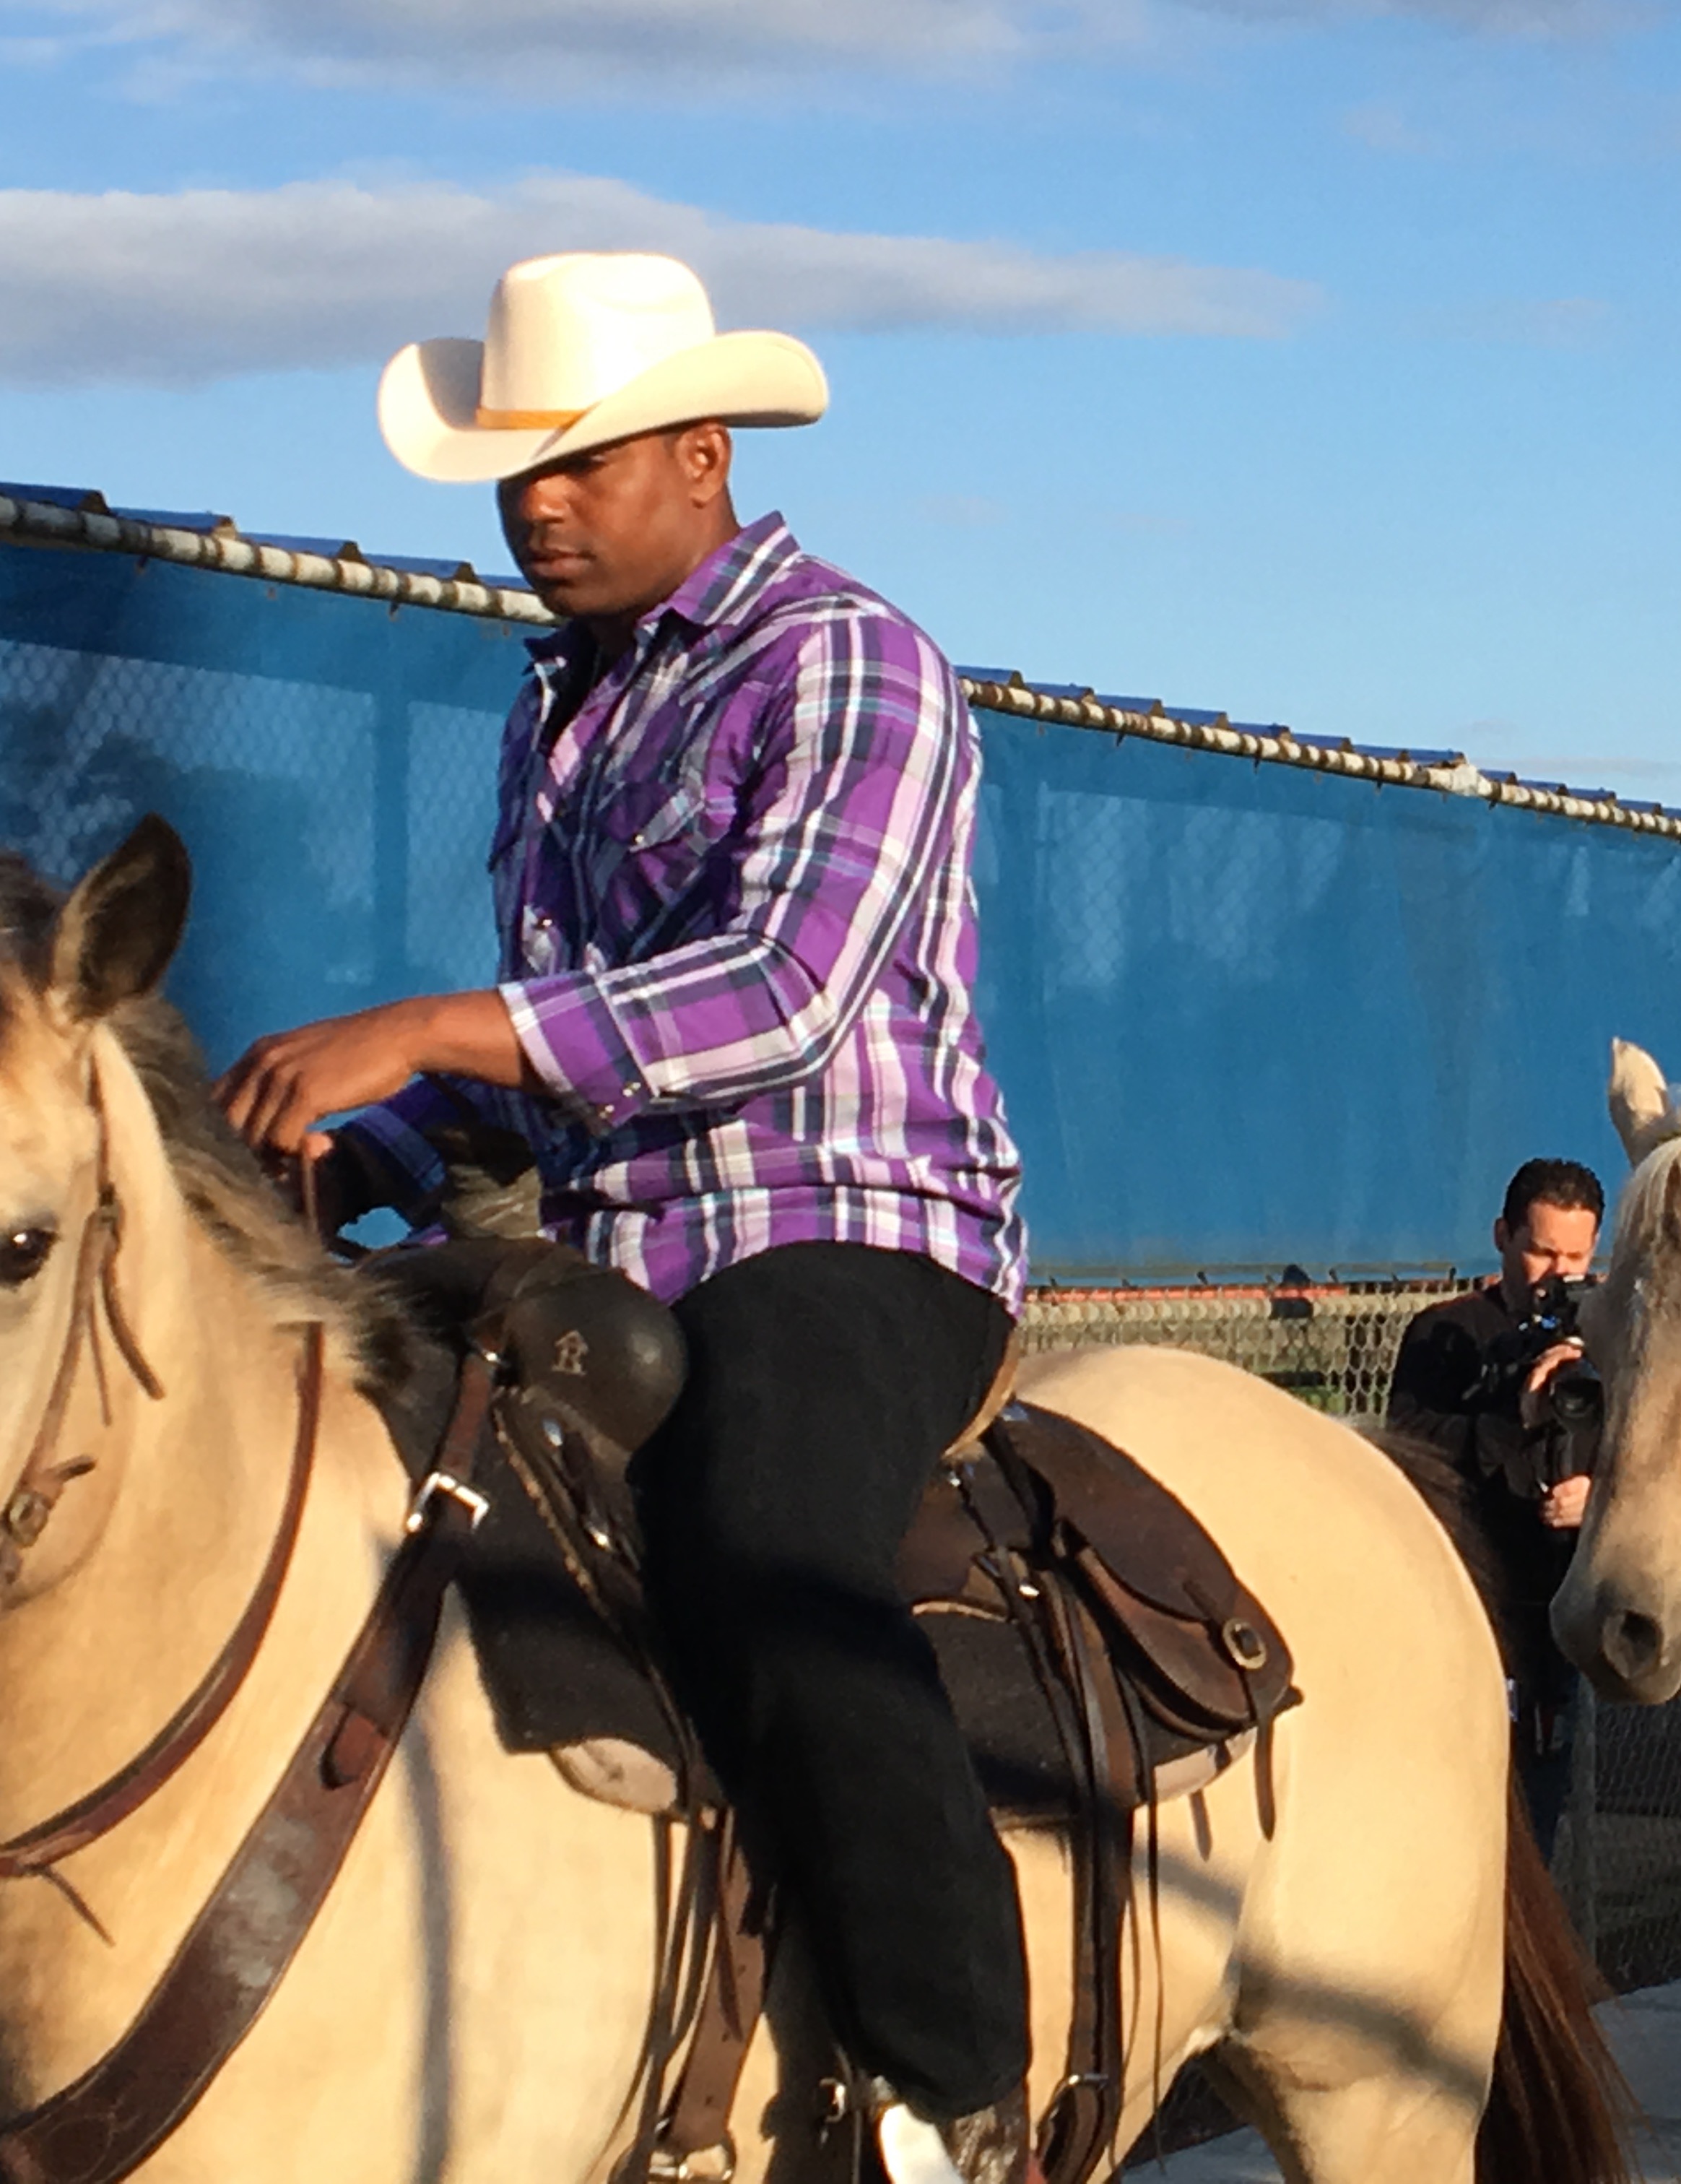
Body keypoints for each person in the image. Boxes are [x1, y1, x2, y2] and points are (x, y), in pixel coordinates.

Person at [215, 253, 1043, 2184]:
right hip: (603, 1253)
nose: (540, 507)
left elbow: (788, 990)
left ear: (705, 450)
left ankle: (952, 2089)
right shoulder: (554, 718)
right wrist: (381, 1143)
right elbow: (550, 1063)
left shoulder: (848, 659)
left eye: (581, 463)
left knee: (767, 1541)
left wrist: (423, 1020)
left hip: (847, 1221)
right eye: (515, 473)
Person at [1386, 1158, 1605, 1853]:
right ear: (1504, 1237)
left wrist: (1597, 1502)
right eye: (1540, 1251)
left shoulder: (1612, 1337)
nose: (1556, 1273)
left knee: (1535, 1824)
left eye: (1575, 1256)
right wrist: (1517, 1415)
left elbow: (1656, 1459)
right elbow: (1413, 1448)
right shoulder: (1446, 1334)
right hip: (1468, 1605)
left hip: (1555, 1618)